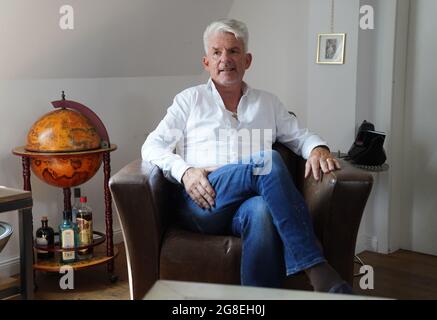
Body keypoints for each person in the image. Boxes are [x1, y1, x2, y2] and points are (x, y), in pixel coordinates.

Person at [142, 19, 352, 294]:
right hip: (204, 201)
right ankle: (317, 271)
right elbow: (151, 146)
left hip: (248, 206)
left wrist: (317, 148)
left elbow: (300, 136)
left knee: (262, 211)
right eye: (217, 52)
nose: (225, 59)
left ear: (247, 60)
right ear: (206, 62)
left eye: (233, 51)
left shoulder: (268, 103)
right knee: (268, 161)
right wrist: (185, 171)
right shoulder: (189, 100)